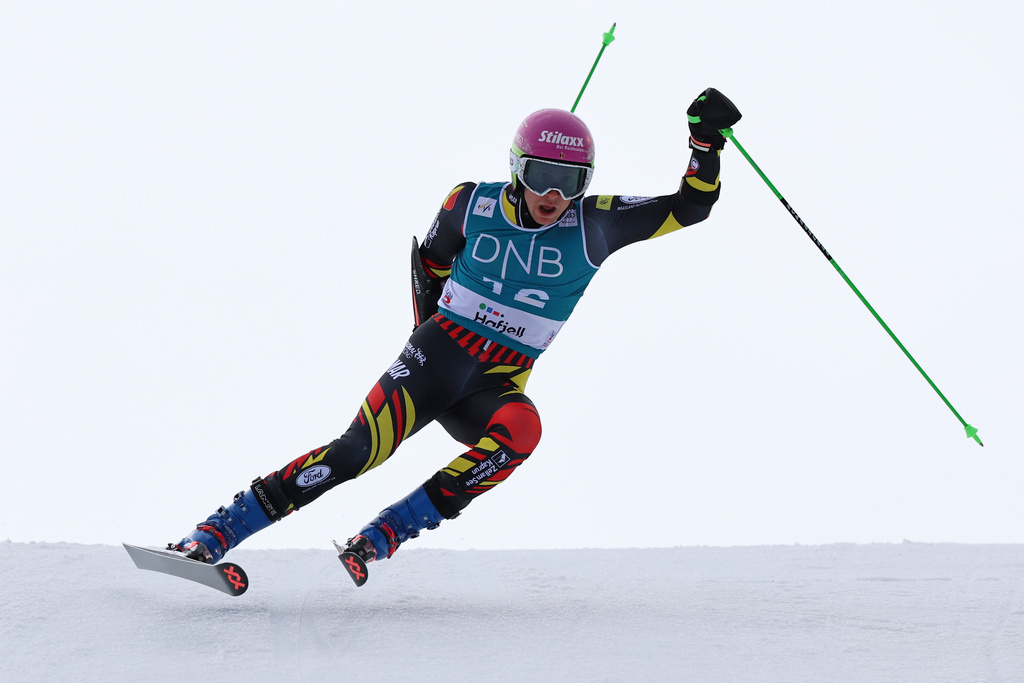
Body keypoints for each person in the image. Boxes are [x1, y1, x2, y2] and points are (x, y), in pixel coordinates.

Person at [173, 88, 742, 568]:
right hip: (435, 358)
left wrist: (704, 143)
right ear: (517, 167)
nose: (553, 195)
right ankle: (216, 533)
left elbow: (690, 207)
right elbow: (432, 266)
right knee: (357, 453)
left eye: (569, 181)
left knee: (522, 430)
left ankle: (389, 531)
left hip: (495, 382)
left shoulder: (595, 222)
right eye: (542, 175)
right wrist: (428, 334)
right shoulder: (469, 203)